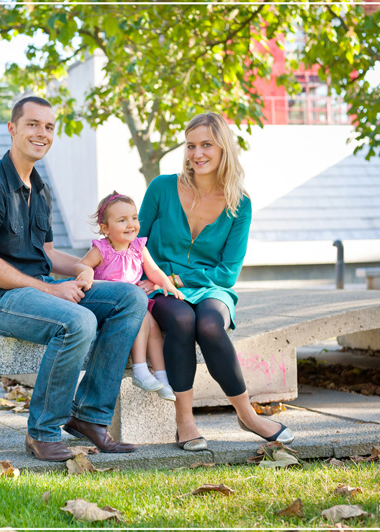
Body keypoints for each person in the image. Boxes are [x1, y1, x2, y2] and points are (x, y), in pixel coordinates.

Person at [0, 96, 147, 462]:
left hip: (38, 291)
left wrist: (80, 269)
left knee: (130, 298)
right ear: (12, 128)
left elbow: (45, 253)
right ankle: (42, 432)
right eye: (32, 124)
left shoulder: (40, 189)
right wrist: (50, 289)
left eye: (48, 127)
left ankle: (90, 417)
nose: (41, 133)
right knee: (78, 320)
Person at [137, 112, 294, 451]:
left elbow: (227, 273)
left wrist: (178, 275)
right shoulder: (162, 188)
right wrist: (158, 279)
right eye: (191, 145)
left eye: (207, 144)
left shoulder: (240, 204)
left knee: (208, 324)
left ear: (223, 148)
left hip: (212, 288)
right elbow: (136, 243)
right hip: (160, 286)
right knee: (181, 320)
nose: (197, 154)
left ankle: (247, 414)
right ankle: (185, 420)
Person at [73, 192, 183, 401]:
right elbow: (80, 264)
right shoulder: (102, 249)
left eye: (134, 218)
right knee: (141, 317)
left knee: (154, 327)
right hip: (113, 307)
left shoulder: (138, 247)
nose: (131, 224)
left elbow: (154, 271)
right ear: (105, 228)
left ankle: (162, 377)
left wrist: (167, 283)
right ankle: (141, 370)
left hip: (136, 302)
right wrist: (86, 271)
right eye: (122, 220)